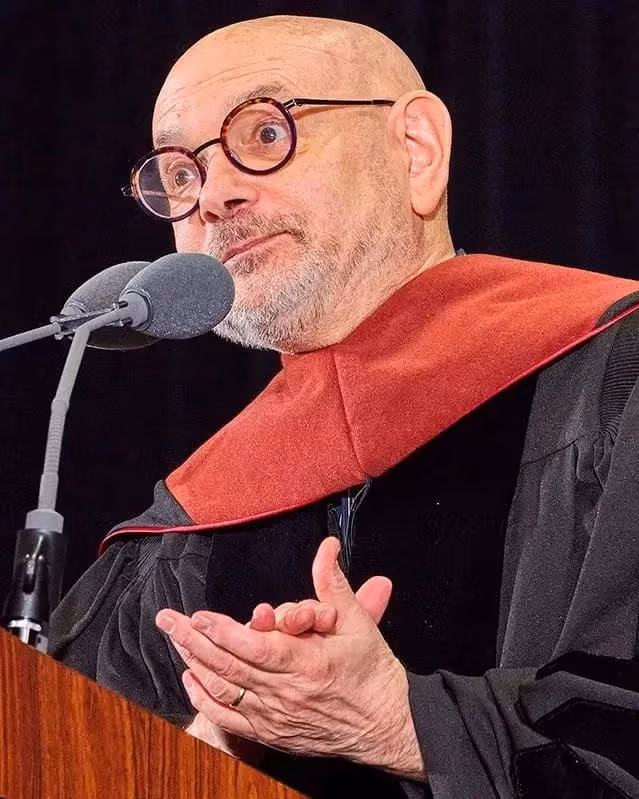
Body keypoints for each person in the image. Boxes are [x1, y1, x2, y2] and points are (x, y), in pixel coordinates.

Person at [50, 14, 639, 798]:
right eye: (181, 174)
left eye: (264, 134)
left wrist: (405, 723)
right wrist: (188, 761)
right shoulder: (195, 513)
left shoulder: (614, 374)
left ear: (416, 150)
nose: (215, 194)